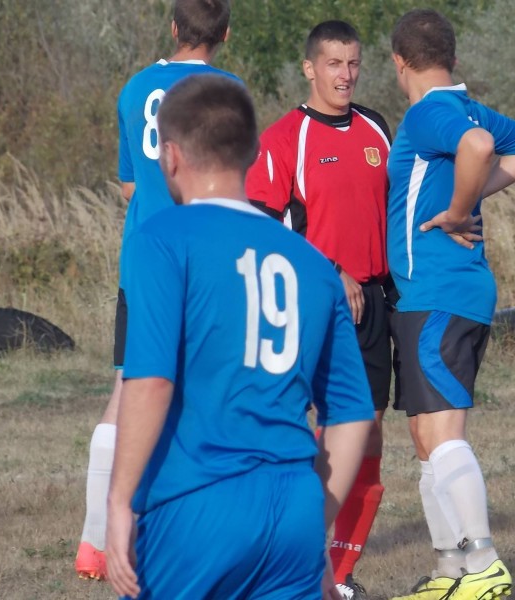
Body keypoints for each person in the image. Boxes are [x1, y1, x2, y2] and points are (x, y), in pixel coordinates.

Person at [106, 74, 373, 599]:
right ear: (253, 153)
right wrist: (313, 523)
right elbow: (351, 414)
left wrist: (117, 503)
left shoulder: (160, 240)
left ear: (170, 156)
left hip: (195, 503)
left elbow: (151, 381)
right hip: (294, 507)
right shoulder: (315, 264)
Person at [74, 0, 241, 580]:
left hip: (144, 258)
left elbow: (129, 186)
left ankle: (95, 541)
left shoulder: (135, 88)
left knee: (128, 386)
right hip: (205, 260)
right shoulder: (229, 91)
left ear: (174, 28)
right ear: (225, 33)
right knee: (209, 389)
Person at [385, 9, 515, 600]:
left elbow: (479, 147)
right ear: (452, 57)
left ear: (399, 63)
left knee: (443, 430)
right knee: (424, 433)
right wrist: (472, 190)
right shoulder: (466, 106)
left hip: (440, 291)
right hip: (429, 295)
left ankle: (484, 563)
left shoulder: (429, 112)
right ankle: (450, 569)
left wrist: (458, 211)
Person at [245, 20, 392, 599]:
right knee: (308, 435)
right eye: (334, 63)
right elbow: (261, 227)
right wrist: (331, 271)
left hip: (374, 304)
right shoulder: (285, 137)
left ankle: (338, 575)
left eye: (353, 63)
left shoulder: (376, 127)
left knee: (368, 436)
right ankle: (285, 562)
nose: (345, 75)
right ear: (310, 68)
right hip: (313, 302)